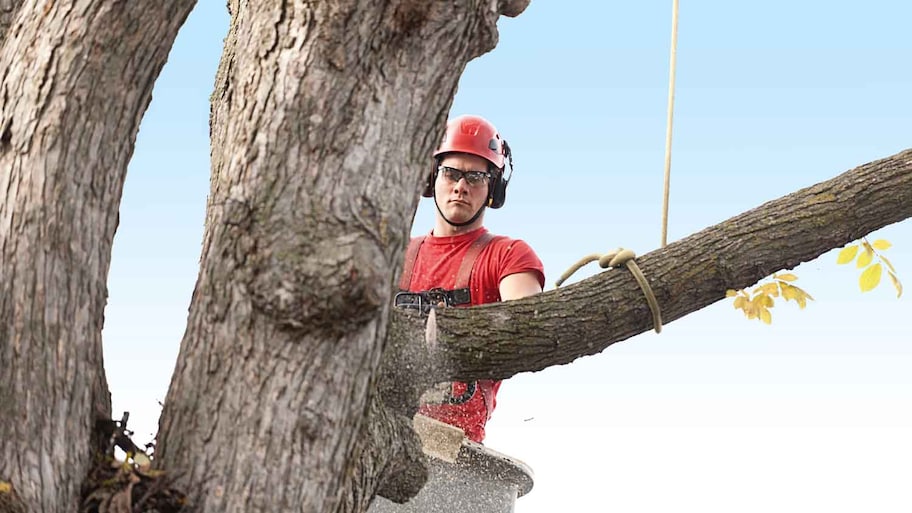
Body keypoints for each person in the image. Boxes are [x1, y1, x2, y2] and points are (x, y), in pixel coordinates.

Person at [397, 114, 545, 443]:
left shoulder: (508, 256)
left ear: (493, 187)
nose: (461, 186)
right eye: (451, 173)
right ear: (431, 177)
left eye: (476, 176)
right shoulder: (396, 256)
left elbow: (530, 325)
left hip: (457, 449)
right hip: (378, 436)